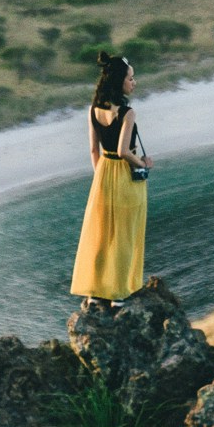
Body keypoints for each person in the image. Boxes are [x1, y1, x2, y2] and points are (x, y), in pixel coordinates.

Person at [69, 50, 150, 304]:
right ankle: (119, 293)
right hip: (125, 178)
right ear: (119, 82)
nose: (133, 83)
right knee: (125, 236)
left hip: (103, 174)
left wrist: (101, 178)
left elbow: (94, 150)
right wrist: (144, 162)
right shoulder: (127, 113)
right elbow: (124, 151)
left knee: (102, 237)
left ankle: (95, 292)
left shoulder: (93, 110)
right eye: (130, 78)